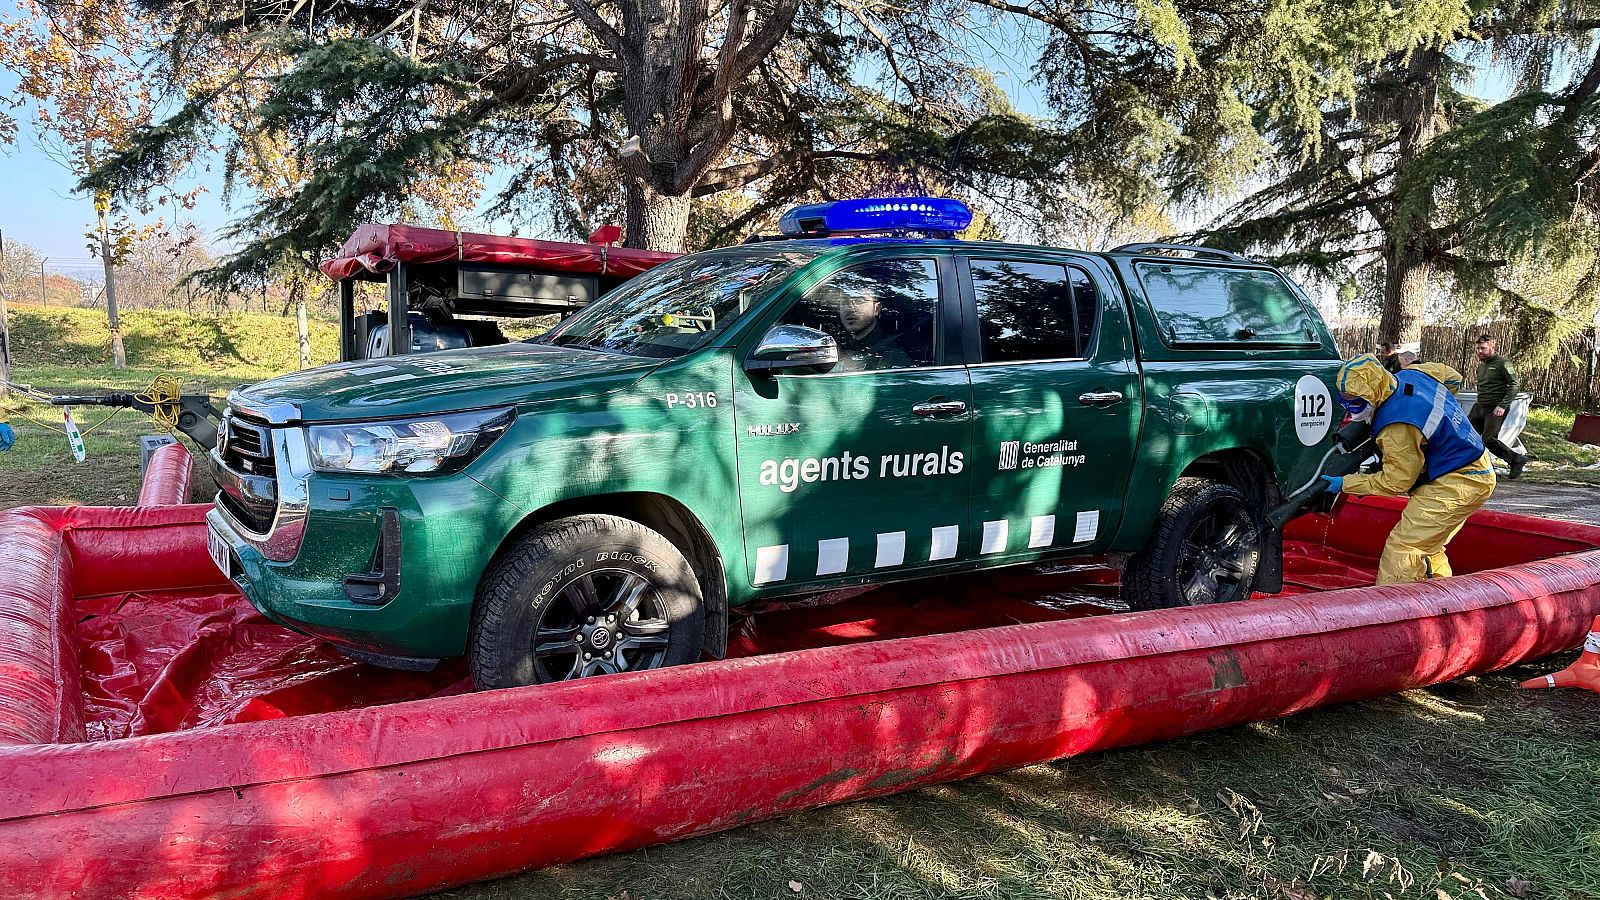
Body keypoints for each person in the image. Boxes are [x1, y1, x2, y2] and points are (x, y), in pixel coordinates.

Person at [1322, 354, 1496, 585]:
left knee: (1404, 548)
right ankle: (1443, 599)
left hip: (1453, 483)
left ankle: (1394, 609)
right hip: (1478, 470)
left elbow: (1397, 481)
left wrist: (1345, 483)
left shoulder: (1396, 425)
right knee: (1429, 545)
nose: (1352, 410)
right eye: (1346, 403)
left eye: (1356, 402)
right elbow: (1453, 378)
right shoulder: (1416, 374)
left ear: (1373, 393)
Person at [1467, 333, 1526, 479]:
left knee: (1488, 439)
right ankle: (1472, 467)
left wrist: (1502, 406)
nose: (1479, 351)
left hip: (1495, 408)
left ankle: (1516, 460)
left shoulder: (1503, 363)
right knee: (1467, 435)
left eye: (1483, 348)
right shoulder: (1481, 367)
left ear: (1492, 346)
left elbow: (1514, 384)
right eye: (1478, 349)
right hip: (1480, 406)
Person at [833, 289, 911, 372]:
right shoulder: (837, 347)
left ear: (876, 309)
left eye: (859, 301)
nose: (850, 308)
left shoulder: (892, 355)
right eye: (844, 302)